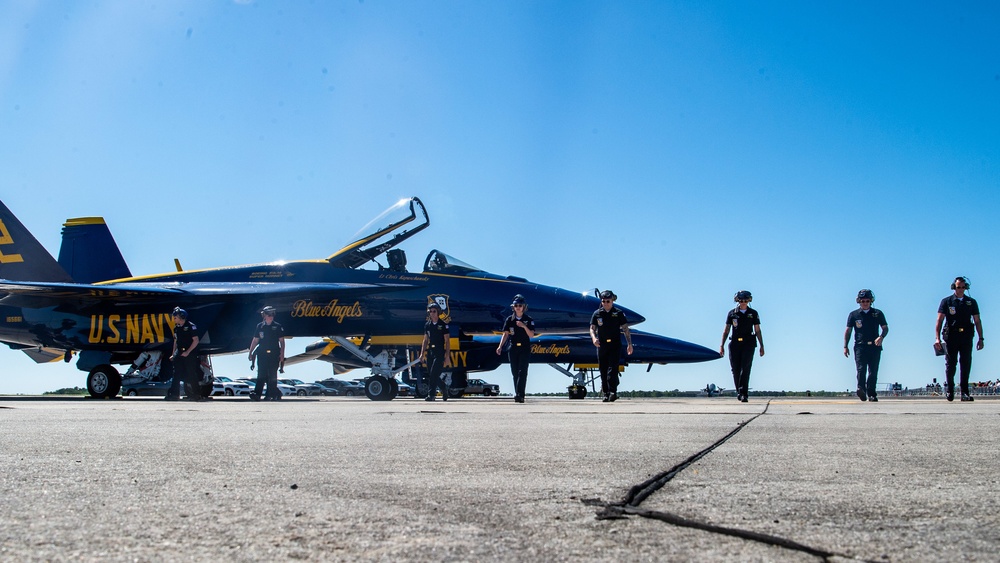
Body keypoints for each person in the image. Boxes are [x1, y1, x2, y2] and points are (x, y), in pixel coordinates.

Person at [935, 276, 985, 402]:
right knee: (951, 364)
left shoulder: (971, 302)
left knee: (966, 363)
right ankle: (950, 390)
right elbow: (939, 320)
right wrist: (937, 338)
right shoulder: (946, 301)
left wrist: (981, 338)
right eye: (958, 287)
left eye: (963, 287)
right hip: (951, 335)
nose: (961, 290)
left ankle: (964, 393)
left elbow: (977, 321)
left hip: (966, 335)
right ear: (954, 287)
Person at [719, 290, 764, 403]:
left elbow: (757, 330)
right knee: (735, 369)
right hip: (734, 343)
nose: (743, 302)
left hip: (748, 343)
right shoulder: (732, 313)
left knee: (746, 368)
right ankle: (739, 392)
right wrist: (722, 345)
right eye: (741, 300)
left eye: (745, 300)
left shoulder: (753, 313)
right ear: (737, 300)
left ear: (749, 300)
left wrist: (761, 345)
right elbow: (726, 330)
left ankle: (744, 393)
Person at [844, 289, 888, 402]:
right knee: (861, 369)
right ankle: (861, 389)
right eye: (862, 301)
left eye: (867, 301)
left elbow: (885, 328)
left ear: (871, 301)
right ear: (859, 301)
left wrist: (881, 337)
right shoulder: (853, 315)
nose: (865, 303)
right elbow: (848, 331)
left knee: (873, 371)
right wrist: (845, 346)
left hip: (874, 346)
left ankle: (872, 393)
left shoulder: (877, 313)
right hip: (860, 346)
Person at [590, 290, 633, 402]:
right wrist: (594, 338)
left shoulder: (618, 313)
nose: (605, 303)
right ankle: (606, 393)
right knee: (603, 370)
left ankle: (613, 392)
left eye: (608, 301)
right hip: (602, 345)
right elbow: (592, 328)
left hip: (615, 345)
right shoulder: (597, 314)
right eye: (603, 301)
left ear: (612, 301)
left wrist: (629, 344)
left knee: (612, 370)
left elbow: (625, 329)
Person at [496, 294, 536, 403]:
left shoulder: (528, 319)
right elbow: (505, 334)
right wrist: (500, 346)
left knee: (522, 372)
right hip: (513, 348)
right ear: (513, 307)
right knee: (514, 372)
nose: (518, 307)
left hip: (524, 348)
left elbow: (531, 335)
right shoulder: (509, 320)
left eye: (520, 305)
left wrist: (523, 326)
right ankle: (517, 393)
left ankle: (520, 395)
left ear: (524, 307)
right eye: (516, 305)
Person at [248, 306, 286, 401]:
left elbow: (282, 341)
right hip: (262, 353)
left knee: (272, 374)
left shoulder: (277, 326)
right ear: (264, 315)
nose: (271, 316)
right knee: (261, 373)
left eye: (272, 314)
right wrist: (251, 352)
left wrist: (282, 354)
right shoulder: (260, 326)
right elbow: (255, 340)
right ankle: (257, 394)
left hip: (274, 353)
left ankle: (272, 394)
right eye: (269, 314)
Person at [420, 302, 452, 401]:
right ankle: (444, 388)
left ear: (438, 312)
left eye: (434, 311)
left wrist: (447, 356)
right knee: (431, 373)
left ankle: (431, 395)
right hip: (431, 351)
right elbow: (425, 340)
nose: (432, 313)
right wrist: (422, 353)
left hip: (440, 351)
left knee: (434, 373)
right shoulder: (428, 325)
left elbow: (447, 341)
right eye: (430, 311)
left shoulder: (443, 325)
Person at [167, 307, 201, 401]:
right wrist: (173, 354)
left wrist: (187, 352)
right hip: (179, 352)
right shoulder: (176, 328)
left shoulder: (191, 326)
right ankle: (174, 394)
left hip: (190, 352)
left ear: (181, 317)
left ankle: (196, 394)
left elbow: (196, 340)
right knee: (176, 374)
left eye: (175, 317)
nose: (174, 319)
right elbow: (175, 341)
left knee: (191, 373)